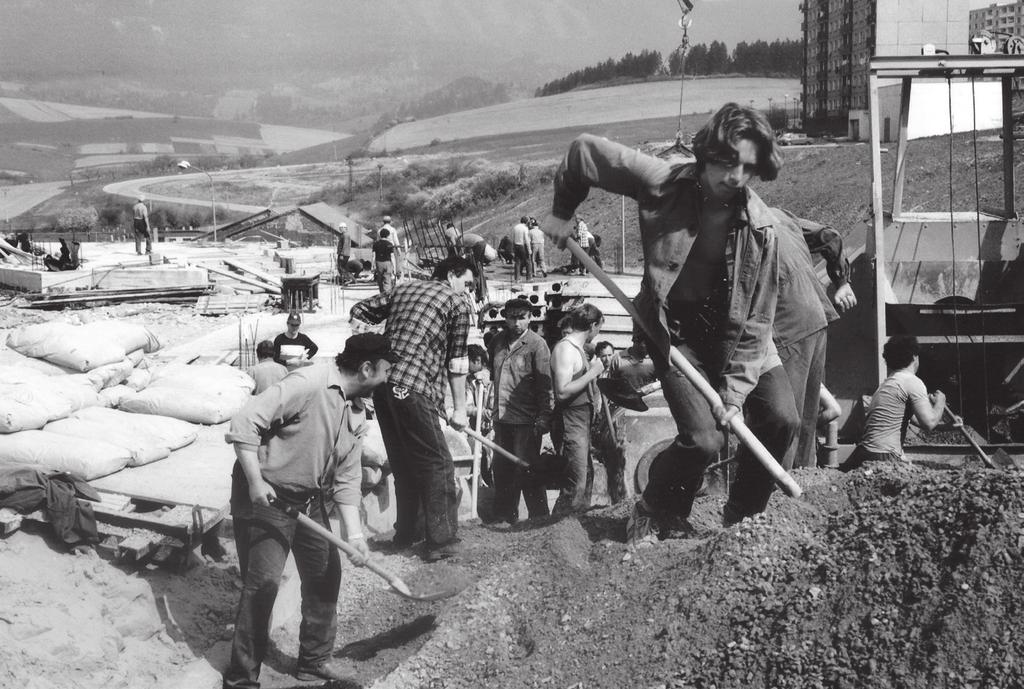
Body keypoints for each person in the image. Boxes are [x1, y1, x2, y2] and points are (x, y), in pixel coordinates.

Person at [544, 102, 799, 541]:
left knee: (781, 419)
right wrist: (563, 211)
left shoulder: (764, 231)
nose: (735, 176)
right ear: (706, 155)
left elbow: (758, 321)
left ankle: (742, 517)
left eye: (747, 167)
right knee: (704, 440)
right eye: (725, 162)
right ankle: (657, 506)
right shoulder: (661, 182)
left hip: (739, 336)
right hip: (676, 333)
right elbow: (584, 152)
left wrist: (735, 393)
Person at [222, 333, 398, 688]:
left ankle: (313, 661)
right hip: (267, 496)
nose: (387, 380)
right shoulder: (308, 383)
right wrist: (256, 483)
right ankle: (241, 679)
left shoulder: (356, 408)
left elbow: (347, 479)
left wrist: (356, 536)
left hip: (307, 500)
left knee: (324, 574)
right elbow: (244, 423)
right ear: (366, 369)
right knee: (265, 584)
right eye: (385, 371)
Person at [349, 255, 476, 562]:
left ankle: (408, 532)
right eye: (468, 283)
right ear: (452, 275)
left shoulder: (403, 289)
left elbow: (358, 311)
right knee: (438, 464)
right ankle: (441, 540)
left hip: (382, 387)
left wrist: (380, 347)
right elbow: (457, 363)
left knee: (404, 463)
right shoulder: (456, 303)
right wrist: (459, 410)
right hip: (414, 388)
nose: (468, 291)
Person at [772, 208, 856, 470]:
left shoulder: (728, 223)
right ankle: (802, 476)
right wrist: (842, 282)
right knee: (806, 413)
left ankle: (779, 488)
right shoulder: (778, 215)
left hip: (787, 323)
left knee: (785, 414)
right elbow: (830, 236)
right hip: (816, 316)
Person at [487, 298, 553, 524]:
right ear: (505, 317)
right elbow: (492, 379)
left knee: (527, 469)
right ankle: (505, 517)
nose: (517, 322)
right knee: (501, 469)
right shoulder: (497, 341)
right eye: (512, 317)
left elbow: (545, 385)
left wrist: (545, 416)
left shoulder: (537, 345)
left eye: (522, 317)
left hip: (526, 420)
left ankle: (539, 518)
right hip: (501, 418)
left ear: (530, 318)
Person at [839, 335, 946, 472]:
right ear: (914, 357)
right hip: (883, 455)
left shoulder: (887, 384)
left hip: (864, 453)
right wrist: (940, 402)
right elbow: (929, 423)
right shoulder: (912, 381)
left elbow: (911, 419)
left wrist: (946, 427)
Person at [550, 304, 606, 514]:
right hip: (570, 420)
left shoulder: (577, 350)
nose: (598, 332)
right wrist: (592, 373)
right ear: (592, 325)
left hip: (582, 420)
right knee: (576, 483)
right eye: (599, 327)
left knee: (586, 477)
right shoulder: (565, 349)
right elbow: (562, 392)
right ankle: (558, 532)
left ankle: (577, 528)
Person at [372, 227, 398, 293]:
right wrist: (394, 267)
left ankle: (381, 294)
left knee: (380, 280)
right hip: (387, 263)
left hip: (379, 263)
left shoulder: (375, 244)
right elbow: (392, 256)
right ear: (387, 235)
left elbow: (373, 256)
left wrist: (372, 265)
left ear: (380, 235)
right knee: (387, 280)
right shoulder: (389, 244)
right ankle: (387, 295)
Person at [512, 216, 532, 281]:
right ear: (526, 222)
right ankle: (529, 278)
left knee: (517, 262)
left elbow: (513, 238)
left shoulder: (515, 227)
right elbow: (526, 240)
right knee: (528, 261)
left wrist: (513, 248)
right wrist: (529, 249)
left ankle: (517, 278)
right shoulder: (525, 228)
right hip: (522, 246)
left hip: (516, 245)